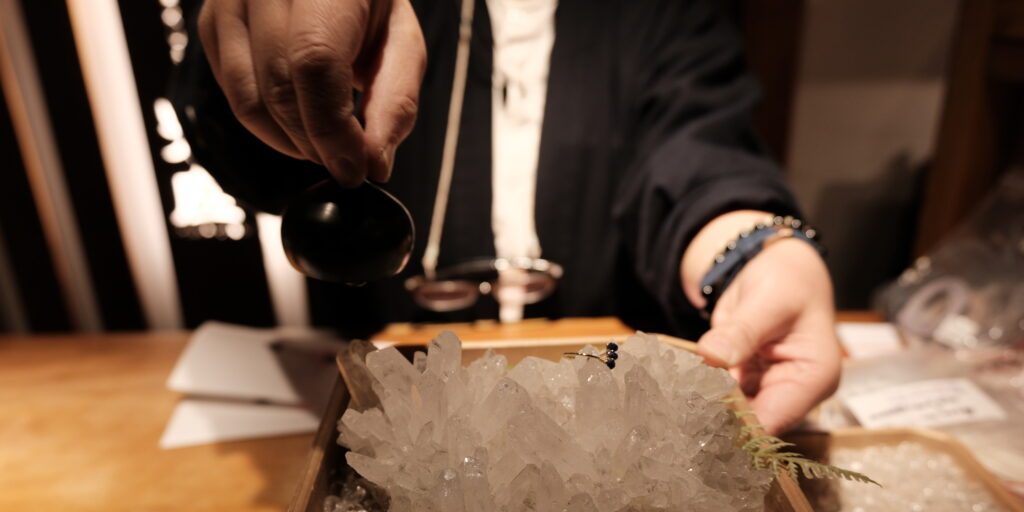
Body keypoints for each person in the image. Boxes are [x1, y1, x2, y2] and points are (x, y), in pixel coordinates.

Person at [186, 0, 840, 434]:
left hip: (606, 407)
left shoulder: (663, 11)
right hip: (395, 399)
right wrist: (258, 46)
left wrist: (755, 256)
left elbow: (697, 147)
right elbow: (254, 158)